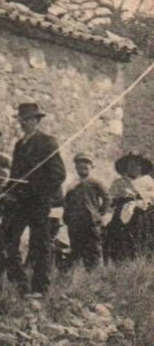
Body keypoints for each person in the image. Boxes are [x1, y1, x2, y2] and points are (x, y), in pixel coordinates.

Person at [6, 103, 66, 294]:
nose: (25, 123)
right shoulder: (19, 144)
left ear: (37, 121)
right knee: (9, 239)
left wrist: (40, 193)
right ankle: (20, 282)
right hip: (18, 203)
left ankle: (41, 288)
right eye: (22, 119)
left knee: (40, 244)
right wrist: (8, 190)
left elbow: (59, 174)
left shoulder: (47, 142)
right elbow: (14, 175)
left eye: (29, 119)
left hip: (39, 203)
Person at [61, 152, 110, 272]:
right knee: (76, 246)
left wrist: (100, 213)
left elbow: (107, 197)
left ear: (92, 167)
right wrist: (67, 215)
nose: (82, 168)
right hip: (75, 220)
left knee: (93, 247)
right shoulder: (72, 184)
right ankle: (76, 273)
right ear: (76, 167)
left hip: (91, 221)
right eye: (79, 166)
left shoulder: (96, 182)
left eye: (86, 166)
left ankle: (95, 273)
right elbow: (66, 201)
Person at [106, 152, 154, 263]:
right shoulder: (119, 182)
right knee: (120, 238)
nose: (133, 168)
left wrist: (142, 198)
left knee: (143, 239)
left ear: (142, 167)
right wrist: (121, 197)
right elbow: (110, 198)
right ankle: (121, 262)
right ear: (125, 167)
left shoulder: (149, 181)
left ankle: (142, 262)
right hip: (122, 216)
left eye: (137, 165)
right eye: (130, 165)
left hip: (143, 216)